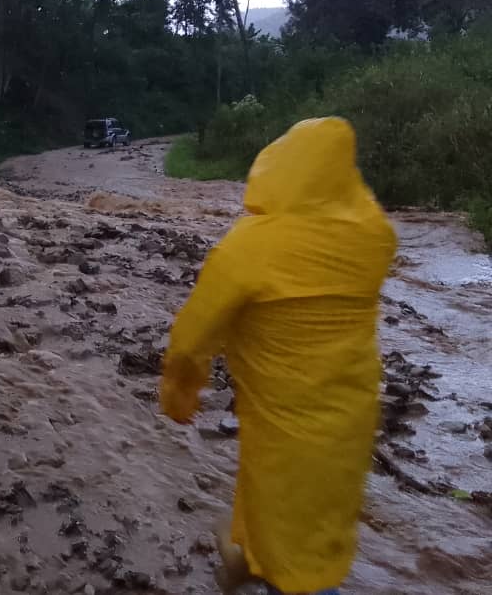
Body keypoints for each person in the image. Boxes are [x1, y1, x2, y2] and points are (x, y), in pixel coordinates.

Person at [159, 118, 397, 595]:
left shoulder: (251, 246)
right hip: (351, 417)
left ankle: (269, 571)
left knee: (297, 556)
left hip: (284, 421)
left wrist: (180, 393)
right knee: (319, 518)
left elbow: (192, 337)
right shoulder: (372, 235)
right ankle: (248, 558)